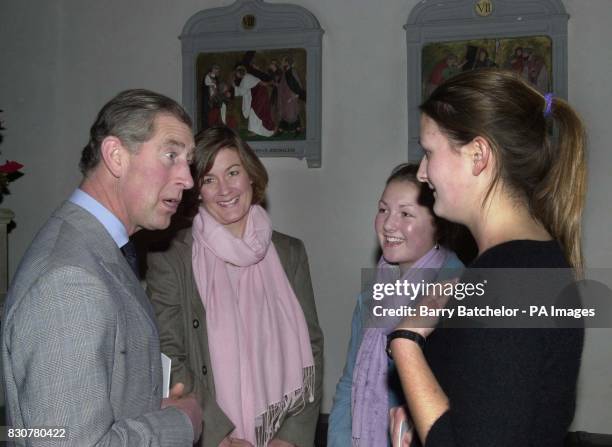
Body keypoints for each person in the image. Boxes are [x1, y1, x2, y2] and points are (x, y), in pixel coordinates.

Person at [388, 69, 586, 446]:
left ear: (478, 155)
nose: (423, 173)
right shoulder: (528, 262)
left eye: (429, 152)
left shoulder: (510, 277)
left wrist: (405, 340)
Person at [1, 89, 203, 445]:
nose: (187, 179)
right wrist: (179, 422)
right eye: (171, 155)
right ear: (115, 156)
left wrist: (145, 404)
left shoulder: (97, 247)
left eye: (188, 161)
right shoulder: (68, 282)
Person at [146, 126, 323, 447]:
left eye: (232, 172)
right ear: (196, 189)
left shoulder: (290, 252)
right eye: (209, 179)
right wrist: (220, 434)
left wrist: (290, 437)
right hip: (211, 432)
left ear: (251, 176)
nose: (224, 189)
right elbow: (168, 353)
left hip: (282, 430)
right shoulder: (171, 256)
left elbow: (311, 346)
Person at [328, 164, 464, 447]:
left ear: (437, 224)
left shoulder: (457, 291)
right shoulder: (373, 293)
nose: (388, 224)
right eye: (383, 210)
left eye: (405, 214)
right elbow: (350, 382)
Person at [233, 65, 276, 137]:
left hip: (260, 95)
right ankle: (257, 131)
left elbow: (241, 91)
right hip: (259, 95)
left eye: (237, 73)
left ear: (240, 73)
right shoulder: (246, 77)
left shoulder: (246, 78)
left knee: (255, 113)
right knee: (256, 113)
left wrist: (234, 86)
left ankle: (268, 130)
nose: (236, 75)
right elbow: (244, 90)